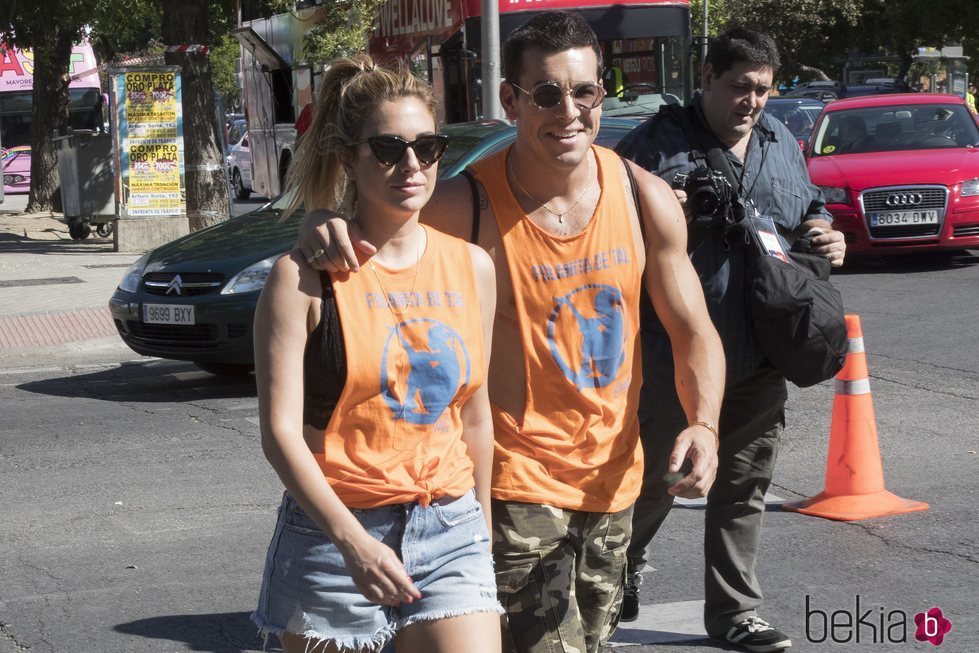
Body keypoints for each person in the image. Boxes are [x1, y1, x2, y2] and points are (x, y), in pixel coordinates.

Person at [296, 12, 725, 653]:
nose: (570, 111)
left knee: (592, 641)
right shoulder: (465, 204)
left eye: (586, 92)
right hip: (513, 483)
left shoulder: (643, 198)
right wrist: (320, 225)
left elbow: (694, 330)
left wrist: (704, 423)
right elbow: (368, 240)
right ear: (511, 100)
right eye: (548, 94)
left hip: (614, 480)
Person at [251, 55, 503, 653]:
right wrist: (351, 541)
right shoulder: (302, 278)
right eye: (388, 148)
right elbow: (279, 433)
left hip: (450, 524)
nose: (411, 165)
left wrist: (482, 532)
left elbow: (474, 414)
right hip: (334, 531)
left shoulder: (472, 266)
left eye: (428, 146)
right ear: (349, 157)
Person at [616, 27, 846, 653]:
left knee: (743, 485)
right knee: (656, 481)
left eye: (763, 90)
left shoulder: (778, 140)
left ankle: (736, 613)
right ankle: (620, 568)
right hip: (673, 357)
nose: (751, 102)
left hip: (761, 349)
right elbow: (608, 241)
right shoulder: (651, 148)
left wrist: (827, 231)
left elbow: (808, 209)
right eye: (739, 87)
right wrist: (673, 215)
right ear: (707, 79)